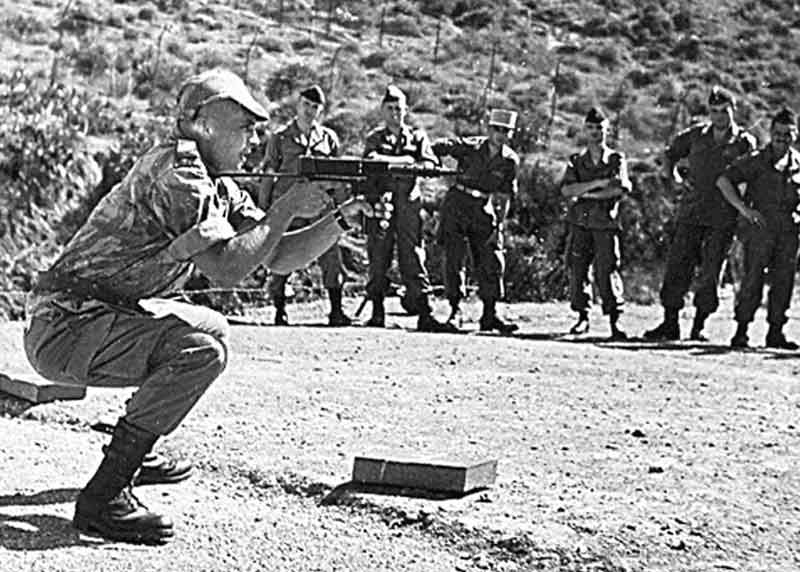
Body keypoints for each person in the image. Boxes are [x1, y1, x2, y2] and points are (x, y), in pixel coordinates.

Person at [23, 69, 368, 545]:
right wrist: (287, 207)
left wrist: (340, 220)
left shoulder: (217, 184)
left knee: (213, 329)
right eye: (244, 128)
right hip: (64, 327)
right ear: (203, 124)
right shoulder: (179, 172)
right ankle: (105, 495)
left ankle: (137, 449)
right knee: (200, 351)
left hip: (93, 317)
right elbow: (226, 268)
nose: (254, 141)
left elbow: (277, 255)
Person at [643, 86, 757, 341]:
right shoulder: (696, 135)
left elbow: (750, 175)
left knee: (711, 272)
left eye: (724, 111)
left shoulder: (743, 142)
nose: (719, 116)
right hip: (692, 212)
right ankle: (670, 323)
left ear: (734, 111)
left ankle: (699, 326)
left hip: (723, 217)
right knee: (678, 266)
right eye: (714, 111)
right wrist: (672, 177)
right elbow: (670, 154)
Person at [361, 85, 455, 332]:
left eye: (399, 109)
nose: (395, 113)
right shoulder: (375, 138)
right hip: (382, 204)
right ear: (383, 110)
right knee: (378, 256)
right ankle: (377, 312)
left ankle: (424, 312)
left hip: (409, 204)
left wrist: (401, 163)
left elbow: (430, 163)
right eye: (390, 108)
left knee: (413, 256)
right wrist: (406, 161)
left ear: (406, 111)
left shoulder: (417, 137)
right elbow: (370, 161)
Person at [258, 84, 352, 326]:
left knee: (330, 254)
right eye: (306, 105)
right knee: (282, 256)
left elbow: (338, 176)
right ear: (298, 105)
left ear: (321, 110)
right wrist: (263, 210)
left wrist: (341, 207)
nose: (310, 110)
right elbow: (268, 174)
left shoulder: (328, 138)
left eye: (315, 107)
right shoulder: (280, 138)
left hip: (320, 205)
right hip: (288, 205)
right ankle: (280, 310)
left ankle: (336, 310)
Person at [716, 107, 800, 349]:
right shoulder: (756, 160)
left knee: (783, 283)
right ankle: (741, 331)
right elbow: (724, 181)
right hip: (760, 231)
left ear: (795, 135)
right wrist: (744, 209)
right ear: (771, 133)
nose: (782, 139)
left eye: (787, 134)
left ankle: (776, 333)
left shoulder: (798, 164)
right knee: (752, 280)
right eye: (778, 133)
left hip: (788, 233)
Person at [433, 109, 520, 333]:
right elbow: (439, 147)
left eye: (506, 131)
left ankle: (490, 314)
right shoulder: (471, 147)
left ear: (511, 134)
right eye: (497, 129)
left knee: (491, 259)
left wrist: (499, 224)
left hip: (483, 207)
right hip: (457, 203)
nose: (500, 135)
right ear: (489, 129)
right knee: (454, 258)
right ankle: (455, 311)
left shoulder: (509, 160)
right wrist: (437, 168)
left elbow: (505, 196)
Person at [560, 107, 632, 339]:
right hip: (580, 223)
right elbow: (567, 189)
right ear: (584, 129)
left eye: (599, 128)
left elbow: (620, 188)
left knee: (607, 271)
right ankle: (582, 318)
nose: (594, 132)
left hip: (605, 223)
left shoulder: (615, 159)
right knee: (578, 270)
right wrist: (598, 184)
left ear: (606, 130)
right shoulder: (577, 161)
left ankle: (614, 321)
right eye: (590, 128)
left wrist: (586, 193)